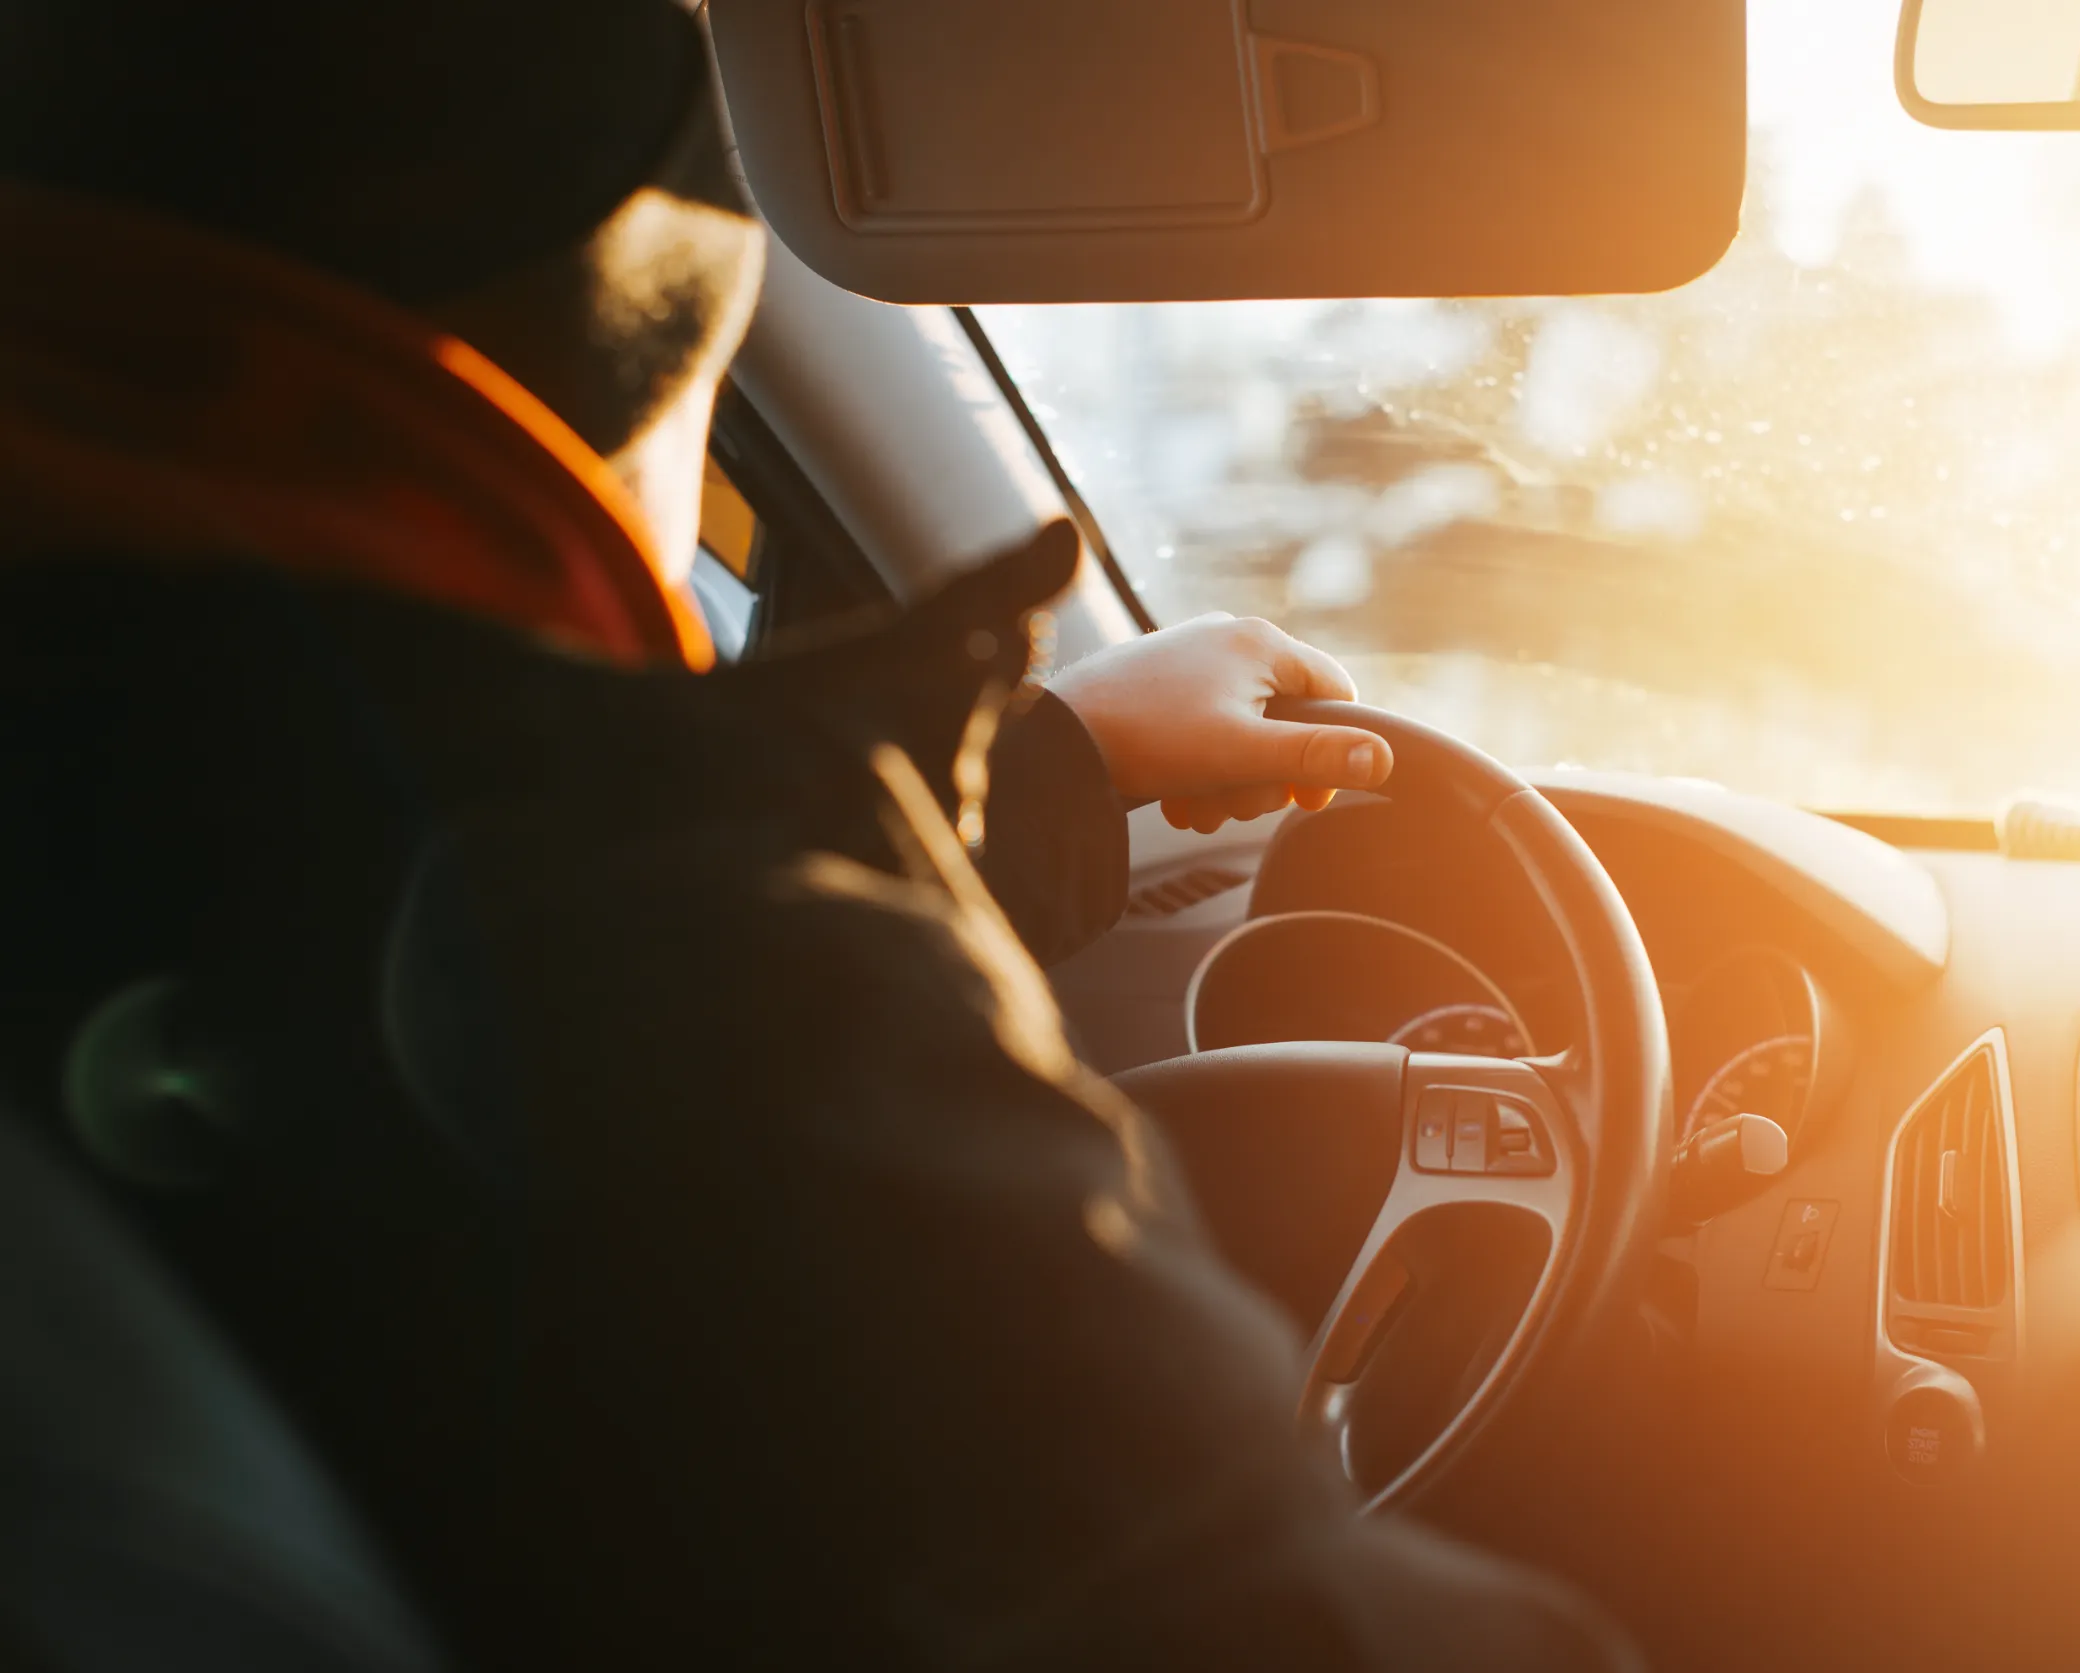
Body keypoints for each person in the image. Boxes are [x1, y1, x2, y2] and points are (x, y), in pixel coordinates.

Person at [0, 4, 1640, 1669]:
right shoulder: (699, 984)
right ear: (602, 364)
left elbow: (319, 896)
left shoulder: (167, 809)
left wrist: (1052, 756)